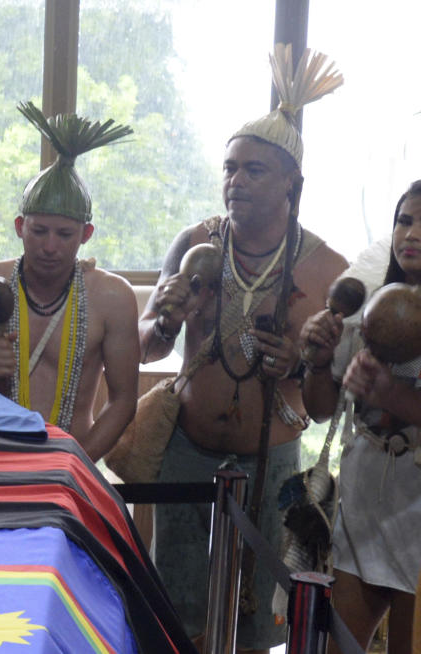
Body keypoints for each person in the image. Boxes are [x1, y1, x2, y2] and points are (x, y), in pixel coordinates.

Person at [138, 45, 347, 653]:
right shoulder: (196, 242)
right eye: (229, 167)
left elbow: (326, 406)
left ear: (292, 183)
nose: (235, 181)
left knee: (257, 623)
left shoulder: (327, 268)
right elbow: (150, 348)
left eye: (254, 170)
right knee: (173, 613)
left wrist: (296, 368)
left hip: (272, 460)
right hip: (187, 451)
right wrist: (174, 316)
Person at [0, 101, 139, 461]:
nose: (50, 246)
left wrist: (76, 465)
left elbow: (124, 399)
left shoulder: (112, 297)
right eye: (39, 231)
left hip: (74, 455)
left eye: (65, 234)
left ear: (87, 234)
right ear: (20, 227)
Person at [300, 181, 421, 654]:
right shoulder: (366, 311)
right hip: (365, 496)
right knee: (338, 647)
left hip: (418, 509)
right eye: (405, 220)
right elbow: (319, 409)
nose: (411, 233)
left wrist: (391, 393)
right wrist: (316, 357)